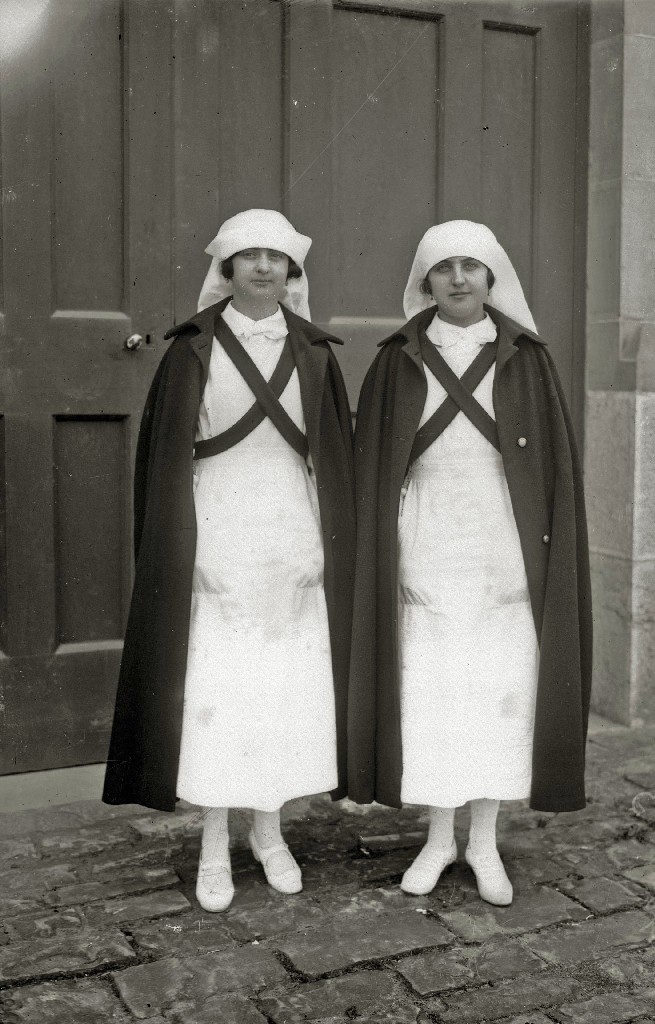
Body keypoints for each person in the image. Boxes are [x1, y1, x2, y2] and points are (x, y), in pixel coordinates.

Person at [103, 209, 355, 912]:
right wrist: (191, 549)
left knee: (280, 687)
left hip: (289, 532)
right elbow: (170, 461)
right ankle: (214, 840)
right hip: (216, 531)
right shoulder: (191, 351)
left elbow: (327, 461)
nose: (263, 267)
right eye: (249, 256)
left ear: (291, 270)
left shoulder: (314, 352)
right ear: (227, 268)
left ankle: (269, 832)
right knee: (218, 690)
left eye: (276, 256)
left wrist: (317, 542)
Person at [347, 220, 592, 905]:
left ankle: (483, 842)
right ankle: (436, 837)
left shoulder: (526, 358)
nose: (458, 279)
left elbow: (551, 467)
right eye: (443, 267)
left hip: (501, 536)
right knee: (431, 689)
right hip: (427, 533)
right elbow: (376, 468)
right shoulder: (397, 359)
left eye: (471, 266)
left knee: (495, 688)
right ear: (424, 281)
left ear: (491, 277)